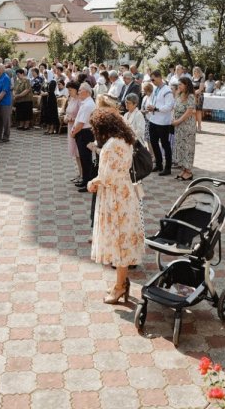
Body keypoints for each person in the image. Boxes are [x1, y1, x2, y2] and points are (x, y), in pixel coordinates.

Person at [87, 107, 145, 305]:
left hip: (114, 198)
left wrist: (91, 183)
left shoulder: (111, 145)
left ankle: (120, 286)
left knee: (118, 240)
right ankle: (121, 282)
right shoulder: (126, 139)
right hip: (126, 193)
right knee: (123, 239)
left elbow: (105, 177)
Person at [145, 71, 174, 176]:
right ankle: (159, 164)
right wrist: (150, 107)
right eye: (151, 80)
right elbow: (154, 101)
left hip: (163, 122)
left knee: (165, 144)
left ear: (159, 77)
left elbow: (169, 106)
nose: (152, 82)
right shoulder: (156, 89)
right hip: (153, 120)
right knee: (153, 142)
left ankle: (168, 168)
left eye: (153, 79)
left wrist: (156, 108)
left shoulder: (167, 90)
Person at [71, 83, 97, 192]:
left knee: (86, 158)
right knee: (83, 158)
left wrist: (73, 133)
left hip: (84, 132)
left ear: (86, 92)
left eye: (80, 90)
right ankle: (85, 180)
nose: (78, 92)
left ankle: (87, 182)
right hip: (82, 131)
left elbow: (81, 123)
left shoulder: (88, 104)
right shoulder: (86, 102)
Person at [171, 76, 197, 181]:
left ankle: (189, 171)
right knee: (180, 147)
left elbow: (189, 111)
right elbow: (175, 108)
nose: (179, 86)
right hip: (179, 127)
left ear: (186, 85)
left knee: (187, 148)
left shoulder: (191, 96)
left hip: (187, 126)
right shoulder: (179, 94)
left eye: (181, 84)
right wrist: (173, 118)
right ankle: (183, 169)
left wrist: (178, 121)